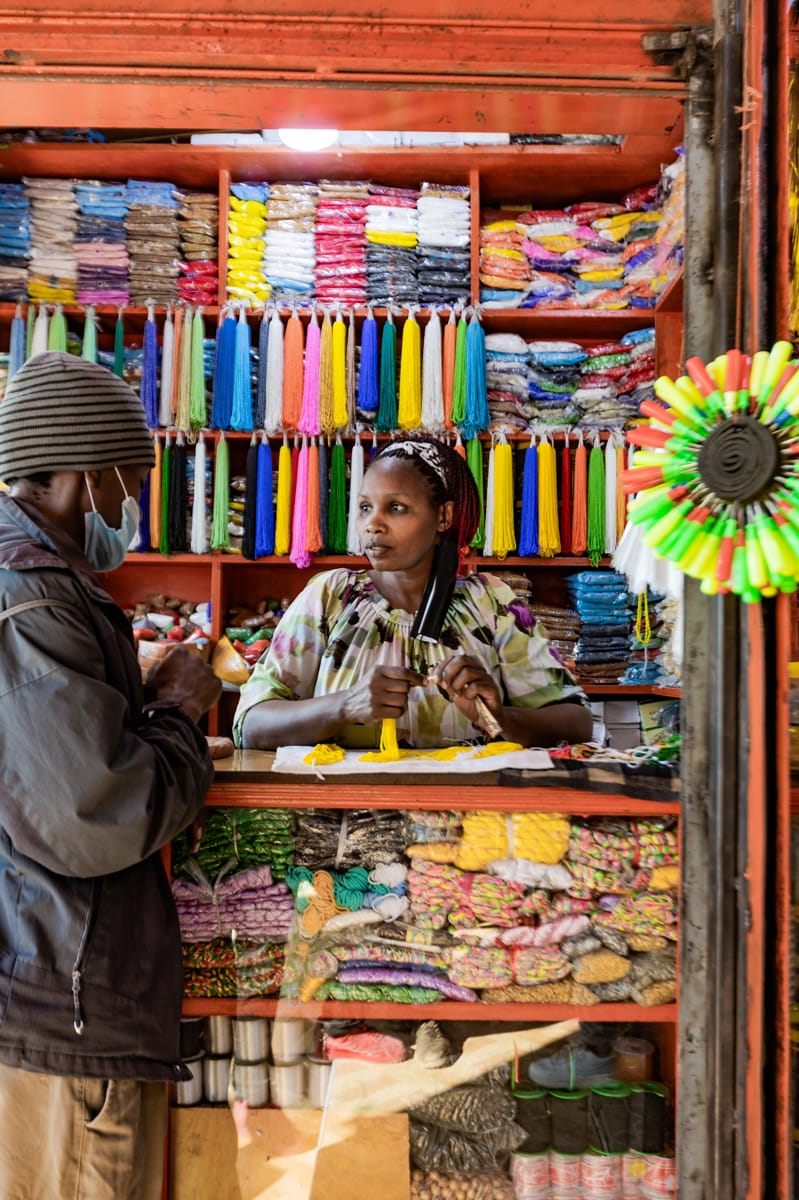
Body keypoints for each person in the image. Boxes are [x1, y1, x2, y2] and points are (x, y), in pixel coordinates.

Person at [0, 351, 222, 1200]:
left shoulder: (43, 586)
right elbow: (93, 814)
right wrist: (175, 711)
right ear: (82, 475)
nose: (130, 500)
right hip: (63, 995)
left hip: (48, 981)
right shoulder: (32, 595)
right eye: (129, 477)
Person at [235, 435, 592, 750]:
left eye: (396, 507)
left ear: (444, 517)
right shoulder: (330, 597)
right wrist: (344, 705)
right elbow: (251, 725)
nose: (372, 524)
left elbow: (576, 723)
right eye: (364, 507)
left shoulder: (492, 603)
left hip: (468, 821)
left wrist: (496, 716)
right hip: (338, 819)